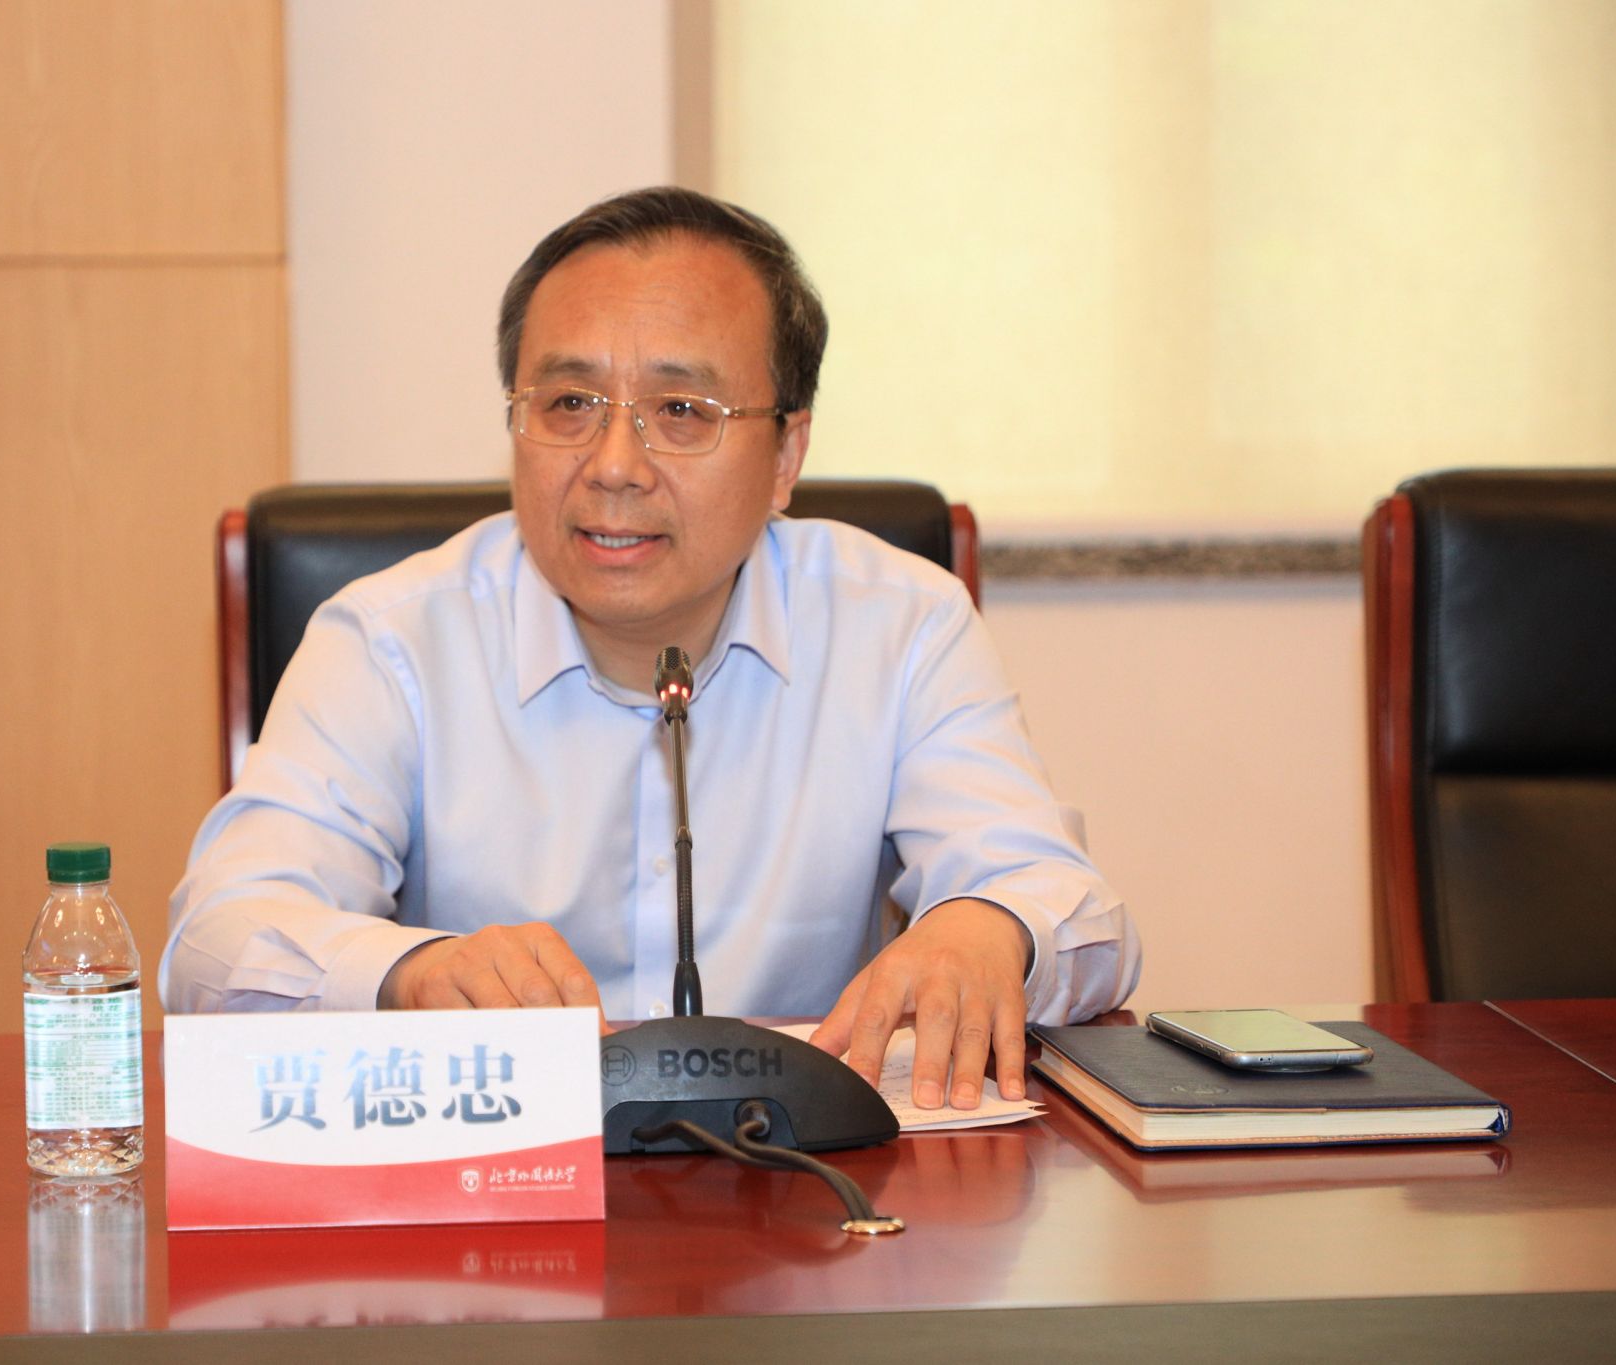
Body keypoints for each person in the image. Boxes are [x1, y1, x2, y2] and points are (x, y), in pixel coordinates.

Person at [161, 187, 1139, 1109]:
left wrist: (991, 928)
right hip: (500, 1188)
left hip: (799, 1195)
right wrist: (407, 972)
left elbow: (1075, 911)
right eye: (568, 404)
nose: (614, 466)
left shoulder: (900, 625)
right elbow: (215, 942)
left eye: (681, 412)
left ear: (786, 455)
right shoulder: (392, 641)